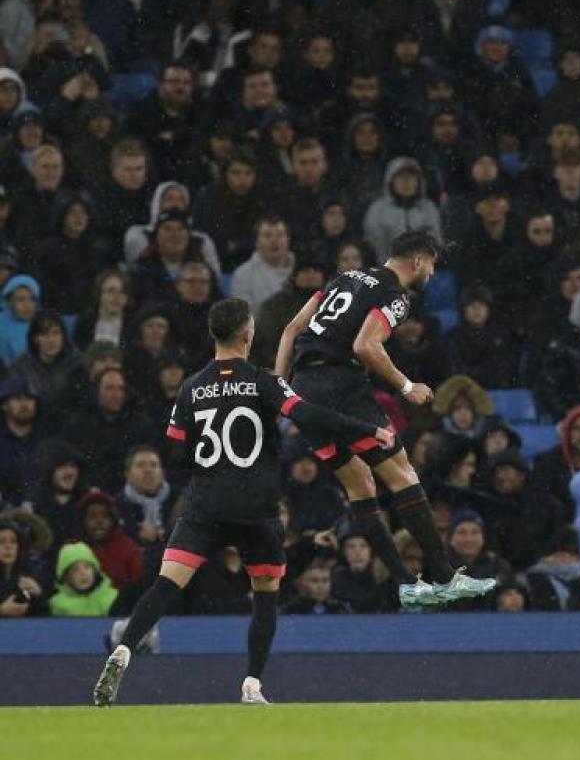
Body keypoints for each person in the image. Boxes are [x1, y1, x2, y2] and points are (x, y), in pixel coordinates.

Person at [92, 298, 397, 707]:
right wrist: (368, 429)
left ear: (214, 334)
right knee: (266, 594)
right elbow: (307, 414)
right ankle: (252, 683)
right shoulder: (263, 381)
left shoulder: (191, 387)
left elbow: (176, 456)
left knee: (166, 585)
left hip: (204, 505)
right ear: (248, 335)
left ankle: (125, 648)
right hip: (257, 507)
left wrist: (205, 480)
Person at [275, 230, 496, 608]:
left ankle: (407, 581)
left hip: (306, 389)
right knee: (402, 474)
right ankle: (443, 575)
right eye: (432, 265)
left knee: (361, 485)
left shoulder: (344, 278)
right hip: (341, 385)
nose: (432, 273)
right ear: (418, 261)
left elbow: (291, 329)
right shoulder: (394, 295)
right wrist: (406, 386)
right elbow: (365, 345)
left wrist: (281, 387)